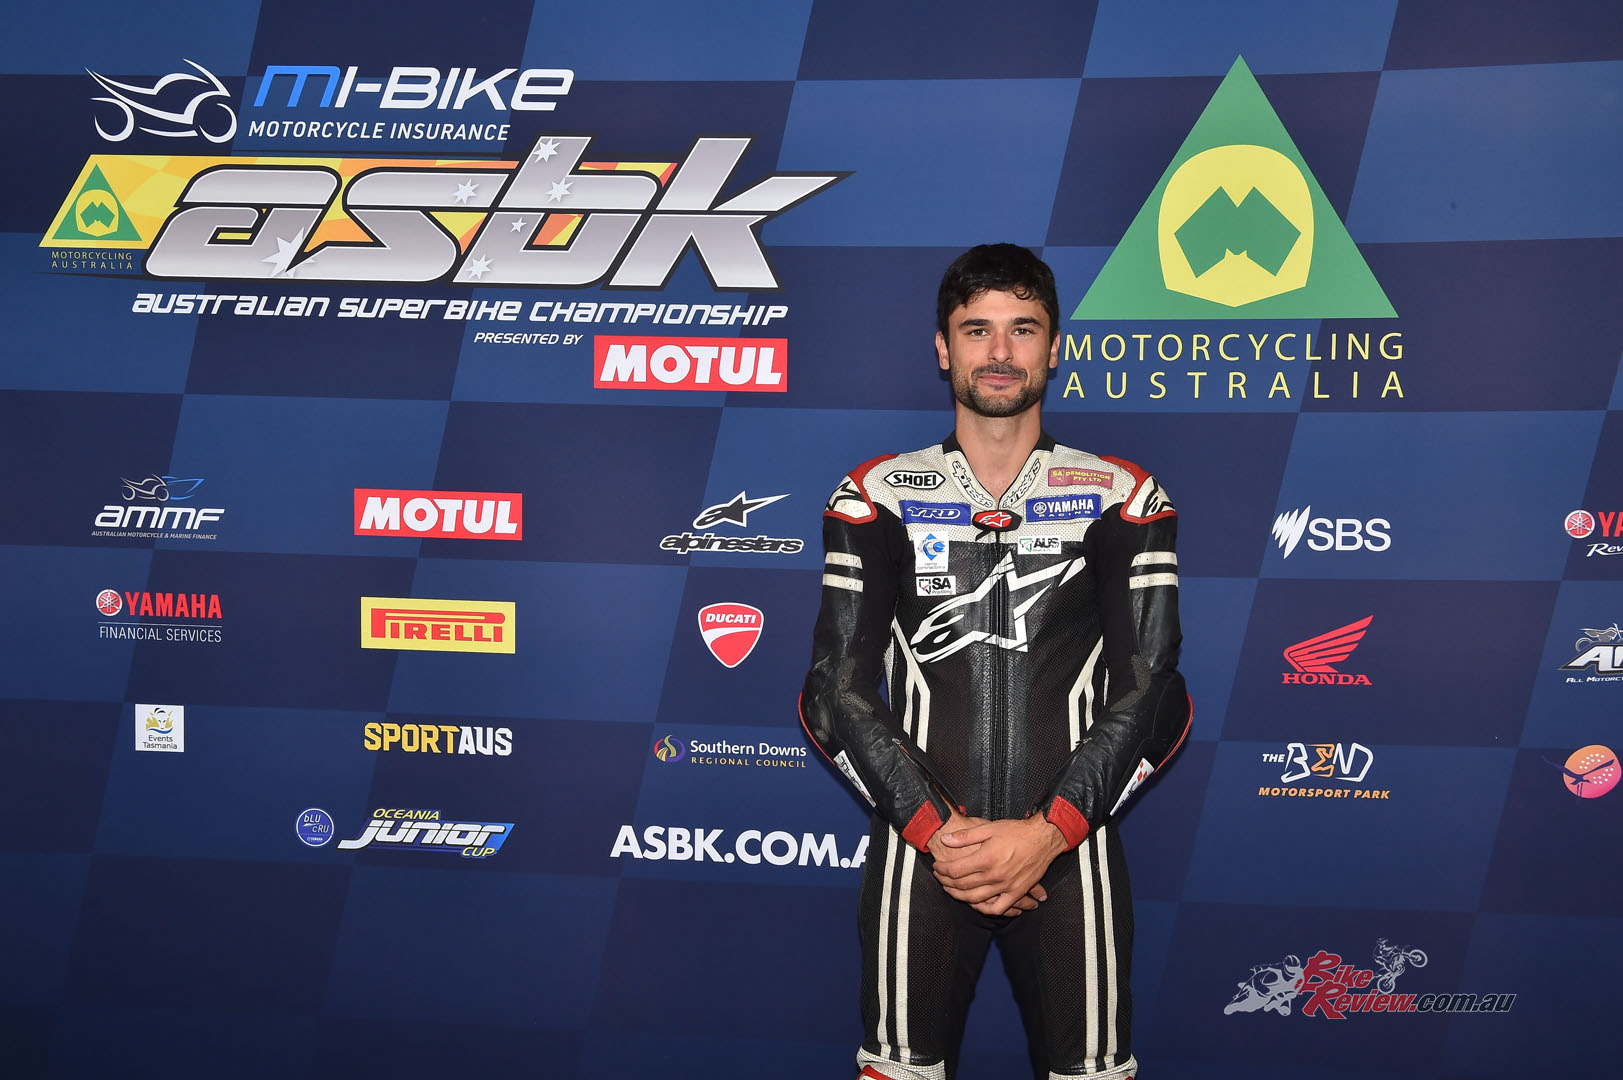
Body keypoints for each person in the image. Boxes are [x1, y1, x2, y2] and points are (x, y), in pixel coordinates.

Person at [800, 243, 1191, 1080]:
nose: (1000, 351)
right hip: (922, 855)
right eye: (976, 330)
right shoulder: (875, 494)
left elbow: (1154, 692)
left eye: (1023, 328)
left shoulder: (1124, 495)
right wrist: (940, 837)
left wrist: (1047, 834)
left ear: (1054, 348)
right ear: (943, 349)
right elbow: (833, 692)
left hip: (1069, 855)